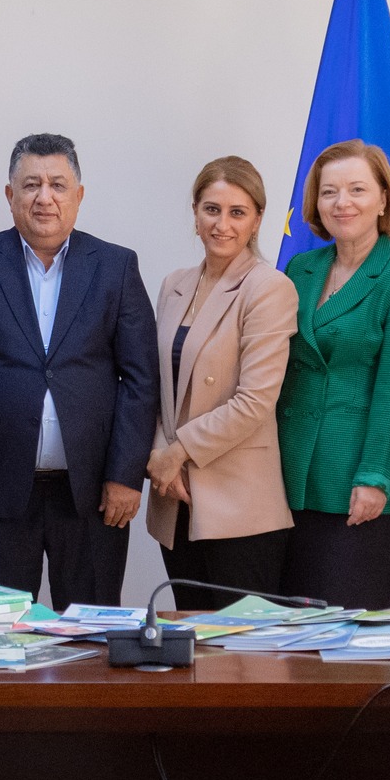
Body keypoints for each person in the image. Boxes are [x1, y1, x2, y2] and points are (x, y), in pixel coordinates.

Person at [0, 133, 159, 607]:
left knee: (90, 632)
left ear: (79, 195)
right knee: (0, 628)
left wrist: (126, 475)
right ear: (10, 195)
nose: (44, 198)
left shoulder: (116, 267)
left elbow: (140, 380)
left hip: (93, 493)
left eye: (58, 185)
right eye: (31, 185)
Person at [274, 142, 390, 610]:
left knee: (351, 630)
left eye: (357, 189)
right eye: (329, 192)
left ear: (384, 199)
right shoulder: (301, 269)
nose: (342, 202)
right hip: (287, 478)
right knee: (290, 632)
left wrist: (376, 477)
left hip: (357, 484)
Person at [143, 157, 299, 610]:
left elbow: (255, 400)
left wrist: (177, 453)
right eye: (211, 209)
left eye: (237, 212)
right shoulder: (173, 284)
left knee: (242, 645)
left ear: (257, 220)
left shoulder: (268, 287)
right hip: (175, 496)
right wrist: (159, 457)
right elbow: (156, 385)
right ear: (195, 212)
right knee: (191, 639)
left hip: (239, 504)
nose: (222, 224)